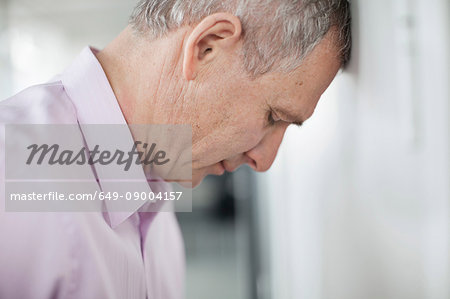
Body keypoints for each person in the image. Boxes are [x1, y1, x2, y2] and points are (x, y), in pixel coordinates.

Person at [0, 0, 351, 298]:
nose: (265, 160)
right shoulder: (11, 172)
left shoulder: (156, 195)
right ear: (206, 47)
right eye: (273, 116)